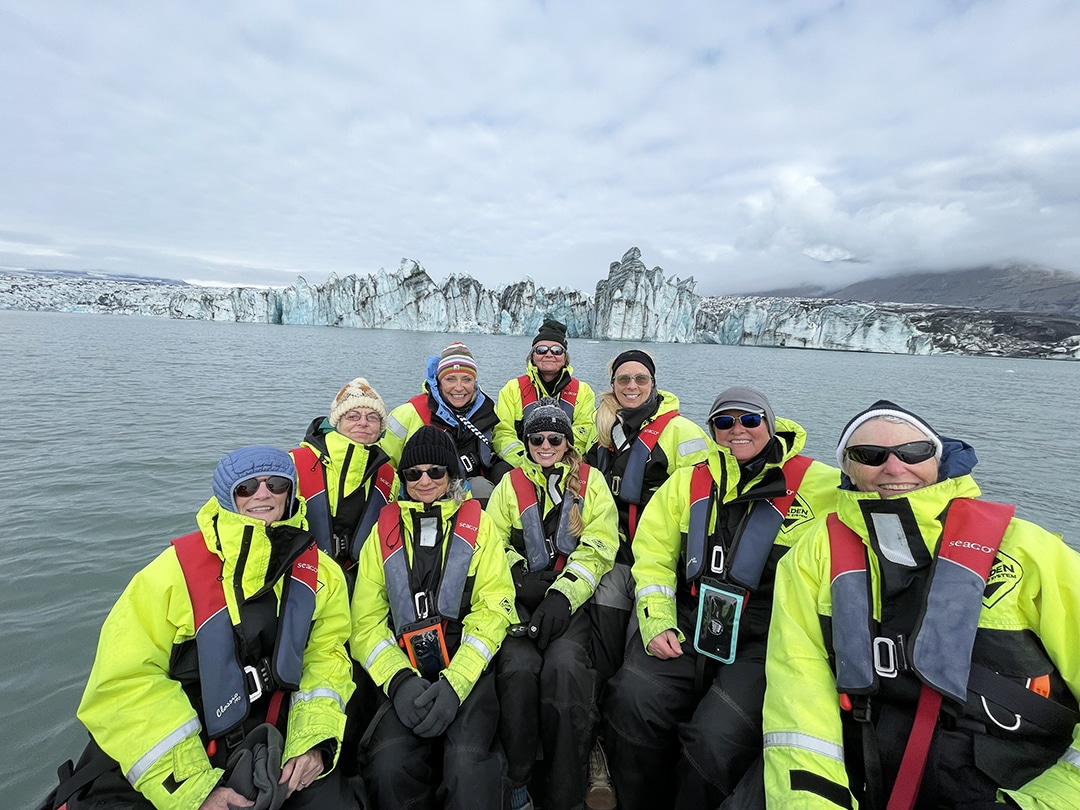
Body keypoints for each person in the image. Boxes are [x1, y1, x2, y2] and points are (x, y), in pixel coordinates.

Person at [763, 400, 1080, 809]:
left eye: (914, 452)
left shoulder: (1028, 549)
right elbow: (797, 690)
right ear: (848, 470)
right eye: (869, 456)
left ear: (938, 458)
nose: (895, 468)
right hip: (868, 765)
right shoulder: (814, 556)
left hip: (1016, 781)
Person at [56, 447, 356, 810]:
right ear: (227, 497)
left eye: (276, 484)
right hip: (185, 748)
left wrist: (313, 743)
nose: (263, 494)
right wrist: (195, 789)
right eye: (247, 488)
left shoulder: (324, 575)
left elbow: (326, 659)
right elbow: (123, 684)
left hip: (274, 730)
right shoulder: (168, 576)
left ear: (290, 492)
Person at [604, 386, 840, 810]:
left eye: (750, 420)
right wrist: (657, 619)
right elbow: (654, 554)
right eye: (724, 422)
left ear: (770, 423)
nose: (737, 430)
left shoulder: (822, 487)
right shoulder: (689, 481)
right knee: (630, 701)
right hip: (689, 623)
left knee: (714, 742)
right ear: (712, 429)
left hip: (761, 644)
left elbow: (882, 499)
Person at [350, 426, 516, 810]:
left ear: (452, 476)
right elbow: (366, 622)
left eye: (436, 472)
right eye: (413, 473)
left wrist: (456, 682)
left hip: (466, 668)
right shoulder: (382, 533)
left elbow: (495, 608)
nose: (424, 480)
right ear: (404, 479)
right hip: (402, 669)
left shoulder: (481, 527)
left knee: (468, 765)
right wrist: (399, 681)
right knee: (389, 766)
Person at [584, 350, 711, 809]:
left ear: (654, 382)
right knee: (604, 650)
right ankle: (600, 745)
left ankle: (641, 756)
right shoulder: (608, 430)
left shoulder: (682, 432)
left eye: (640, 378)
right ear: (613, 384)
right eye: (623, 379)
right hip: (614, 559)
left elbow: (703, 498)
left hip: (658, 565)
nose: (631, 386)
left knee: (642, 663)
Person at [487, 399, 619, 810]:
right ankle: (520, 780)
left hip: (570, 600)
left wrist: (564, 593)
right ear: (526, 442)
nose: (546, 445)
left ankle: (566, 789)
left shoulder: (590, 482)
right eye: (537, 438)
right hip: (521, 598)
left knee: (566, 670)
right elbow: (489, 542)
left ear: (566, 442)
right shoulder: (509, 485)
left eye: (554, 438)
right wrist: (519, 575)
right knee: (519, 669)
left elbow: (600, 545)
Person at [292, 376, 398, 587]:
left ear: (381, 428)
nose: (363, 423)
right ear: (336, 422)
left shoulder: (389, 475)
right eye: (353, 416)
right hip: (301, 574)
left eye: (372, 417)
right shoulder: (295, 463)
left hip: (362, 578)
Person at [382, 341, 510, 504]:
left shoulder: (486, 410)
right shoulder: (409, 413)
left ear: (474, 382)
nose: (459, 387)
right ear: (439, 381)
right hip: (423, 491)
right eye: (450, 379)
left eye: (466, 379)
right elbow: (386, 463)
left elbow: (503, 439)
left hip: (471, 491)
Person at [494, 319, 597, 465]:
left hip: (568, 462)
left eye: (556, 350)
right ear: (532, 356)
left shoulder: (583, 391)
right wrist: (527, 460)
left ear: (565, 357)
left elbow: (585, 429)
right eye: (541, 350)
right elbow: (503, 432)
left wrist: (560, 457)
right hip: (523, 462)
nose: (549, 354)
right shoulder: (512, 389)